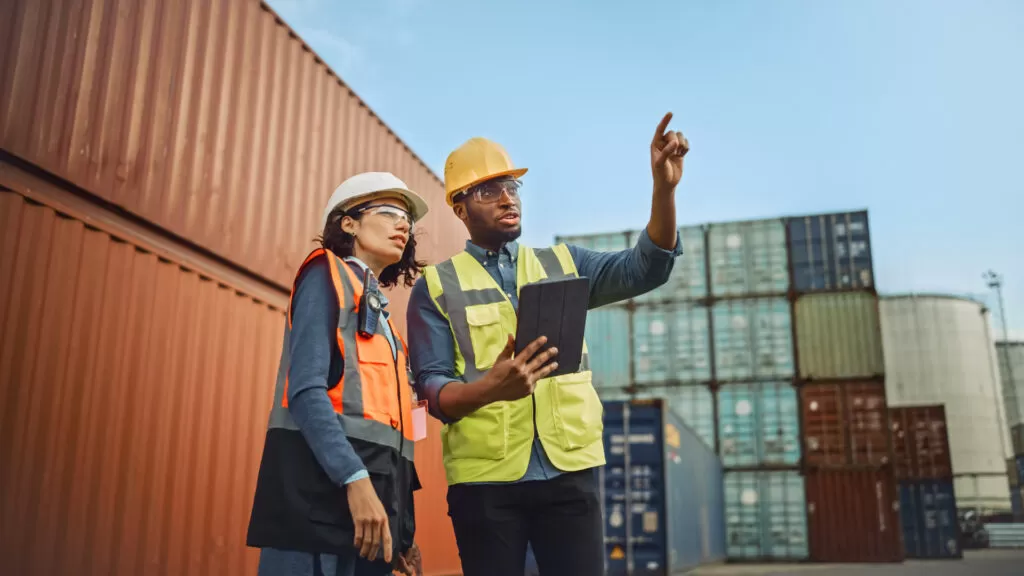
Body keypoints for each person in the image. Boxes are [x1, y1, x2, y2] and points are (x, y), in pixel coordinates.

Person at [406, 113, 689, 575]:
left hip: (569, 474)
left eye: (512, 188)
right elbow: (433, 393)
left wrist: (664, 190)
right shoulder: (436, 286)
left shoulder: (564, 263)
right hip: (486, 484)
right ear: (459, 208)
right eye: (487, 190)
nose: (506, 198)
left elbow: (648, 267)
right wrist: (491, 389)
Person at [247, 172, 430, 576]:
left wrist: (403, 531)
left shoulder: (387, 327)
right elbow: (307, 391)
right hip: (321, 510)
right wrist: (355, 481)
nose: (404, 224)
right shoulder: (324, 275)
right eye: (389, 212)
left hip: (370, 520)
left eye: (408, 220)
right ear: (348, 222)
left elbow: (397, 436)